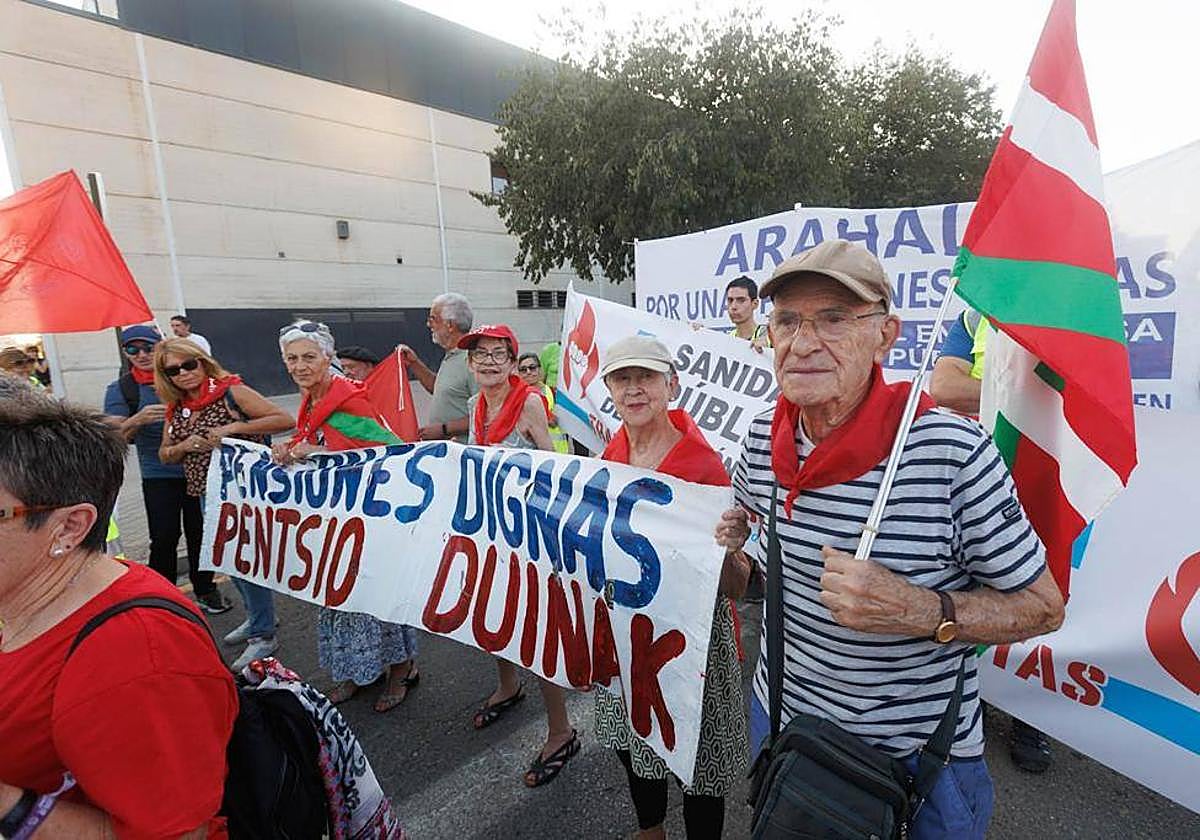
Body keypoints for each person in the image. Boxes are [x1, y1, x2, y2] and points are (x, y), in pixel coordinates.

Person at [730, 239, 1065, 839]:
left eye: (833, 319)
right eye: (786, 320)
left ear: (885, 335)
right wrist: (727, 561)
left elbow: (1043, 608)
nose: (803, 343)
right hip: (782, 725)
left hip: (918, 761)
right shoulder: (760, 440)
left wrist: (917, 609)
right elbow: (757, 569)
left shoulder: (951, 453)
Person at [0, 379, 237, 837]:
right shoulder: (23, 586)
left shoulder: (135, 655)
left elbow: (178, 833)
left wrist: (9, 806)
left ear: (70, 527)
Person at [593, 335, 751, 839]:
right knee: (636, 744)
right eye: (622, 378)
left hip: (692, 642)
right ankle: (650, 831)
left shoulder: (704, 469)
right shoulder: (606, 460)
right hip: (626, 629)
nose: (634, 389)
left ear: (671, 385)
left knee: (701, 768)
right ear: (609, 391)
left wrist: (729, 550)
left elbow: (737, 585)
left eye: (646, 377)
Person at [930, 308, 1055, 773]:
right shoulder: (974, 317)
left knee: (1038, 590)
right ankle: (978, 689)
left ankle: (1031, 716)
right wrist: (1023, 397)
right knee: (975, 588)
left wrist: (991, 393)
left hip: (1043, 474)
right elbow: (944, 386)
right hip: (982, 474)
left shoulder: (1068, 314)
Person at [274, 320, 422, 712]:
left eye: (309, 357)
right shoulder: (311, 400)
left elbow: (384, 454)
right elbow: (315, 439)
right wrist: (288, 448)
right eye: (292, 358)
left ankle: (401, 670)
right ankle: (356, 670)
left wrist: (313, 453)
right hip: (331, 522)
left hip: (367, 520)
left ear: (328, 358)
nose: (300, 365)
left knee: (375, 595)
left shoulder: (347, 398)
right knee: (338, 596)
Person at [460, 324, 578, 787]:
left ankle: (561, 730)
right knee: (492, 617)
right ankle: (508, 686)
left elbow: (552, 469)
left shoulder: (527, 403)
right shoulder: (474, 406)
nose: (488, 362)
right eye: (480, 354)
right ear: (470, 364)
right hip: (490, 531)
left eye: (498, 354)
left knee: (534, 631)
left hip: (528, 534)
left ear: (512, 363)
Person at [154, 337, 295, 670]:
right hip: (207, 496)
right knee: (231, 563)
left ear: (202, 361)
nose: (184, 374)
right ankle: (258, 619)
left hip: (243, 493)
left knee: (246, 561)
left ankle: (263, 634)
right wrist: (184, 446)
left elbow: (284, 420)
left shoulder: (231, 391)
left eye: (189, 364)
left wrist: (234, 427)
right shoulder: (177, 408)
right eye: (173, 370)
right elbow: (164, 454)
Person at [103, 325, 224, 613]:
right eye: (133, 349)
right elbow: (109, 436)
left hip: (201, 473)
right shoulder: (123, 389)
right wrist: (137, 420)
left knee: (202, 537)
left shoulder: (182, 375)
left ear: (161, 347)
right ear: (125, 353)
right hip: (158, 475)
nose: (142, 354)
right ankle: (164, 598)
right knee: (164, 538)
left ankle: (206, 590)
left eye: (148, 347)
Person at [397, 292, 478, 442]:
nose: (428, 324)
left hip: (463, 455)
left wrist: (444, 429)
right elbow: (440, 389)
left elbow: (487, 414)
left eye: (433, 319)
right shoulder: (452, 356)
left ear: (450, 325)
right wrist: (415, 363)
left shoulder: (474, 360)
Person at [517, 352, 570, 453]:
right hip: (533, 454)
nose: (528, 372)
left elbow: (565, 420)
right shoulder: (515, 397)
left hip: (559, 452)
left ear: (539, 369)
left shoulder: (553, 392)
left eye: (532, 368)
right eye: (523, 370)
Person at [723, 275, 771, 350]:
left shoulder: (771, 337)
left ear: (755, 304)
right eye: (730, 300)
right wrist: (701, 335)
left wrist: (770, 347)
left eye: (741, 300)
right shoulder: (726, 339)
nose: (733, 306)